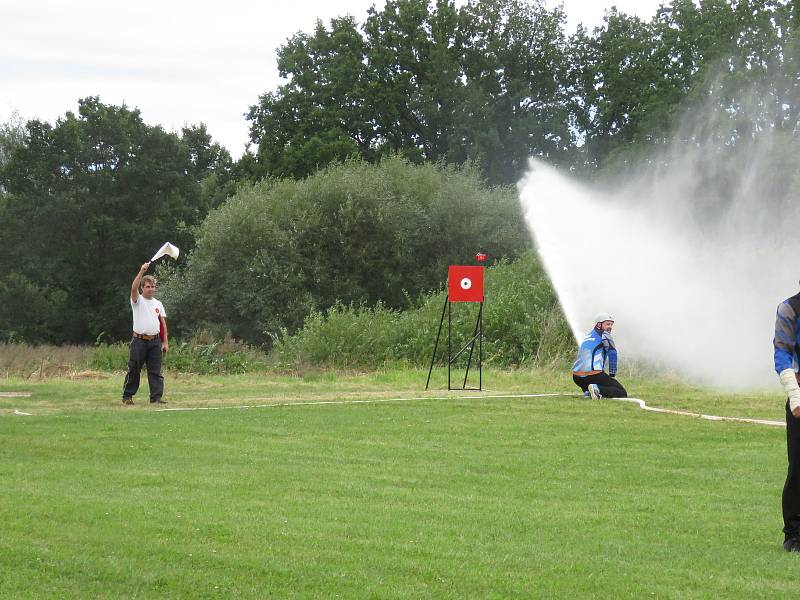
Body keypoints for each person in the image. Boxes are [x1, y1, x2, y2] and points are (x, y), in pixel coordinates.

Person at [773, 289, 800, 552]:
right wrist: (794, 394)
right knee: (799, 467)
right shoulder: (790, 308)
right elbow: (781, 352)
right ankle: (793, 534)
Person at [122, 262, 169, 405]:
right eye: (148, 286)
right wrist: (141, 271)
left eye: (153, 286)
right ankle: (127, 396)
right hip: (139, 341)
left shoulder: (158, 304)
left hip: (155, 342)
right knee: (134, 369)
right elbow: (133, 287)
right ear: (142, 288)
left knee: (156, 371)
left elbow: (162, 324)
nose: (151, 289)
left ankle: (156, 398)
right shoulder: (137, 300)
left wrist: (165, 341)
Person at [572, 313, 627, 400]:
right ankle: (596, 389)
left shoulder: (588, 336)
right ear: (599, 324)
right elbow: (612, 354)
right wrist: (612, 375)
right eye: (607, 324)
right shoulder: (605, 335)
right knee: (621, 392)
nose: (610, 327)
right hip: (592, 376)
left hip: (577, 378)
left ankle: (588, 392)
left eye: (611, 324)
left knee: (599, 383)